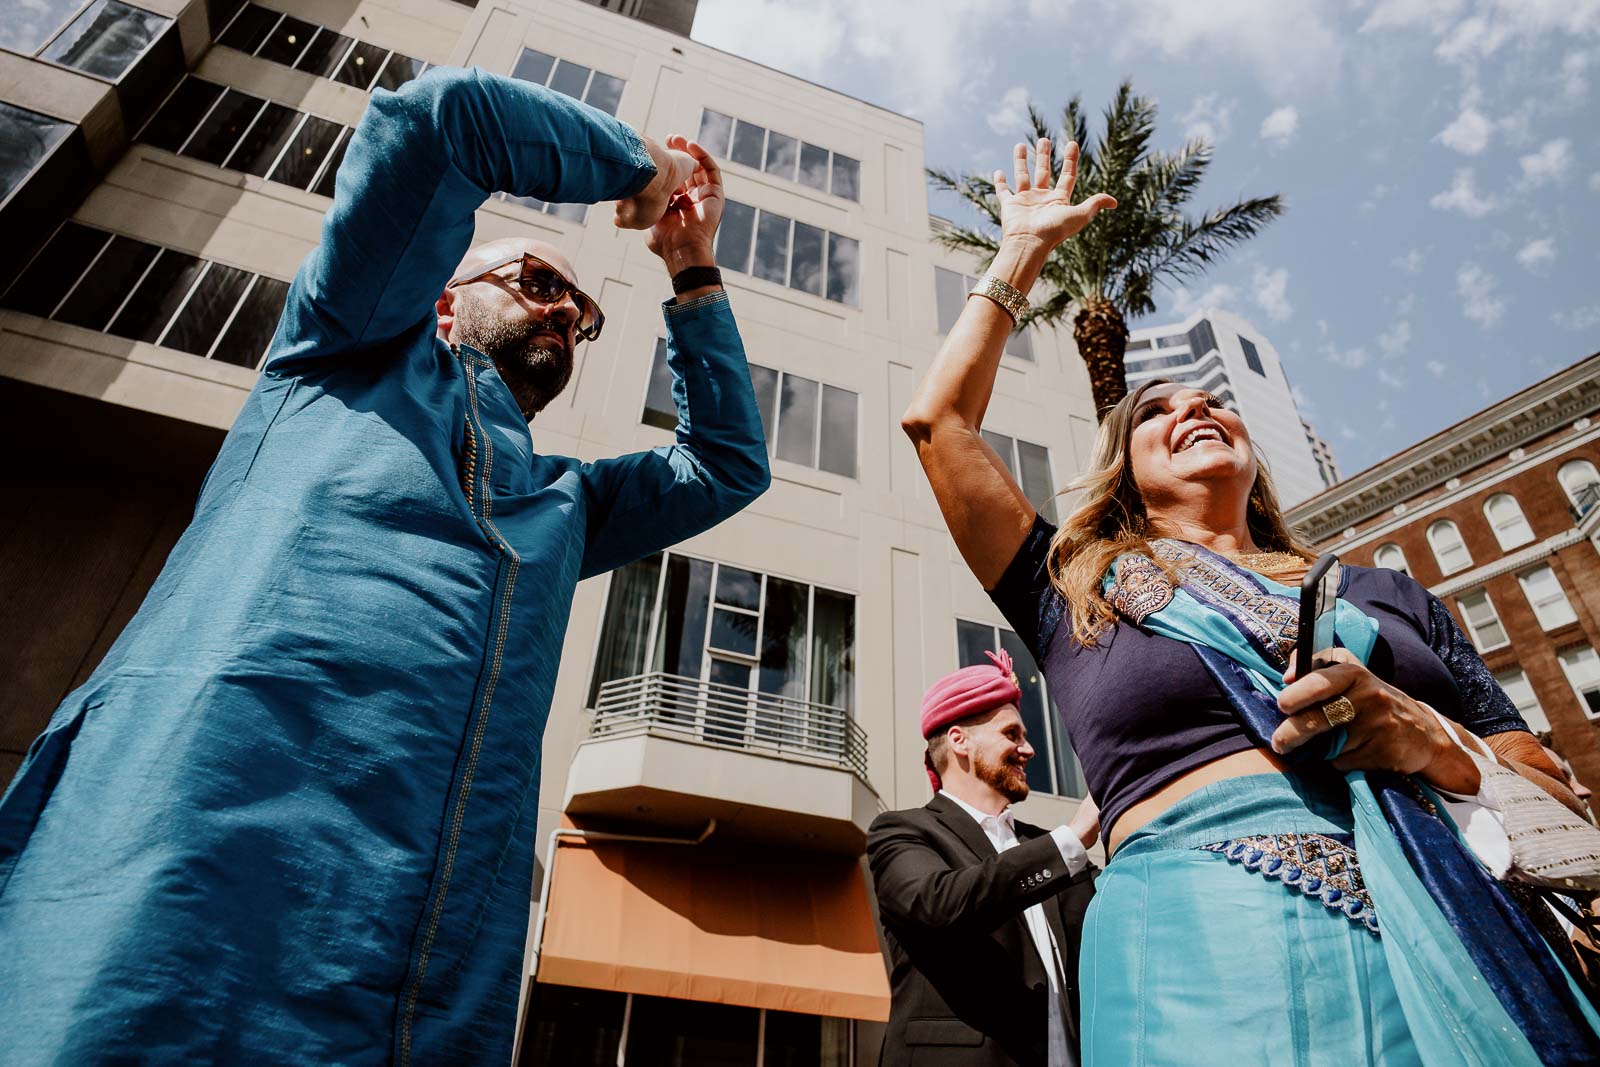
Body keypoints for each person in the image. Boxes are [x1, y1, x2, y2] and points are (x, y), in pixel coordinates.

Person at [0, 68, 769, 1065]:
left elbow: (723, 465)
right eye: (540, 284)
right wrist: (646, 170)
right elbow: (441, 121)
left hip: (422, 968)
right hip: (180, 894)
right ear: (444, 302)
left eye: (579, 314)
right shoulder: (340, 354)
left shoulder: (566, 502)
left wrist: (692, 268)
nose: (563, 318)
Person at [901, 135, 1600, 1064]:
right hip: (1192, 954)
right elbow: (938, 422)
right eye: (1151, 411)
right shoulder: (1074, 588)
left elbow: (1539, 769)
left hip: (1445, 920)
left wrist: (1426, 739)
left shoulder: (1382, 592)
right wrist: (1022, 250)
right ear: (1124, 475)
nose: (1189, 408)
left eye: (1208, 400)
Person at [868, 650, 1098, 1066]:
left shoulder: (1054, 851)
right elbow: (937, 905)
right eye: (1012, 734)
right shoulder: (903, 831)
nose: (1028, 750)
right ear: (960, 741)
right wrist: (1072, 838)